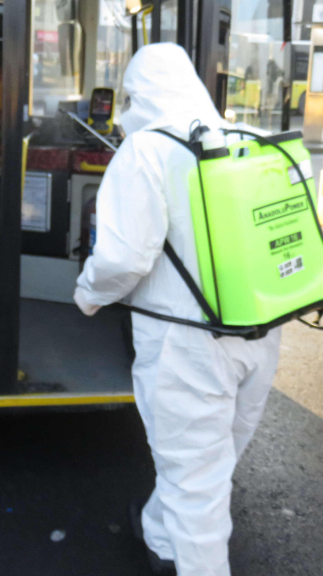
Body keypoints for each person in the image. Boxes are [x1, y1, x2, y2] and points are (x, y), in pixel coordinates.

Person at [73, 43, 282, 576]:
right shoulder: (254, 141)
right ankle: (159, 537)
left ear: (140, 95)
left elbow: (121, 257)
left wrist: (88, 294)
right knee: (211, 466)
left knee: (198, 495)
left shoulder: (146, 150)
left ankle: (185, 553)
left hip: (185, 347)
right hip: (260, 337)